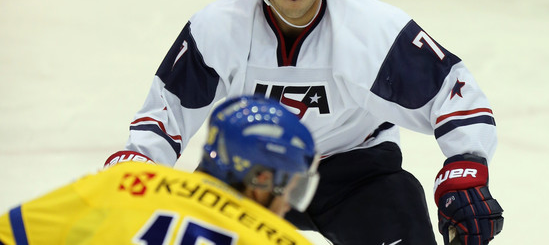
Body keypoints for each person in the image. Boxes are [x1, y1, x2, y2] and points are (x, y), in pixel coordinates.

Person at [105, 0, 504, 245]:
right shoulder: (219, 27)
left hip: (357, 173)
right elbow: (168, 108)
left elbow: (454, 92)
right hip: (246, 175)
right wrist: (137, 165)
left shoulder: (372, 29)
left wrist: (463, 166)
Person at [0, 95, 319, 245]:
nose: (289, 203)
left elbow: (11, 233)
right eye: (293, 187)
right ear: (261, 179)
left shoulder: (126, 180)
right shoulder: (285, 241)